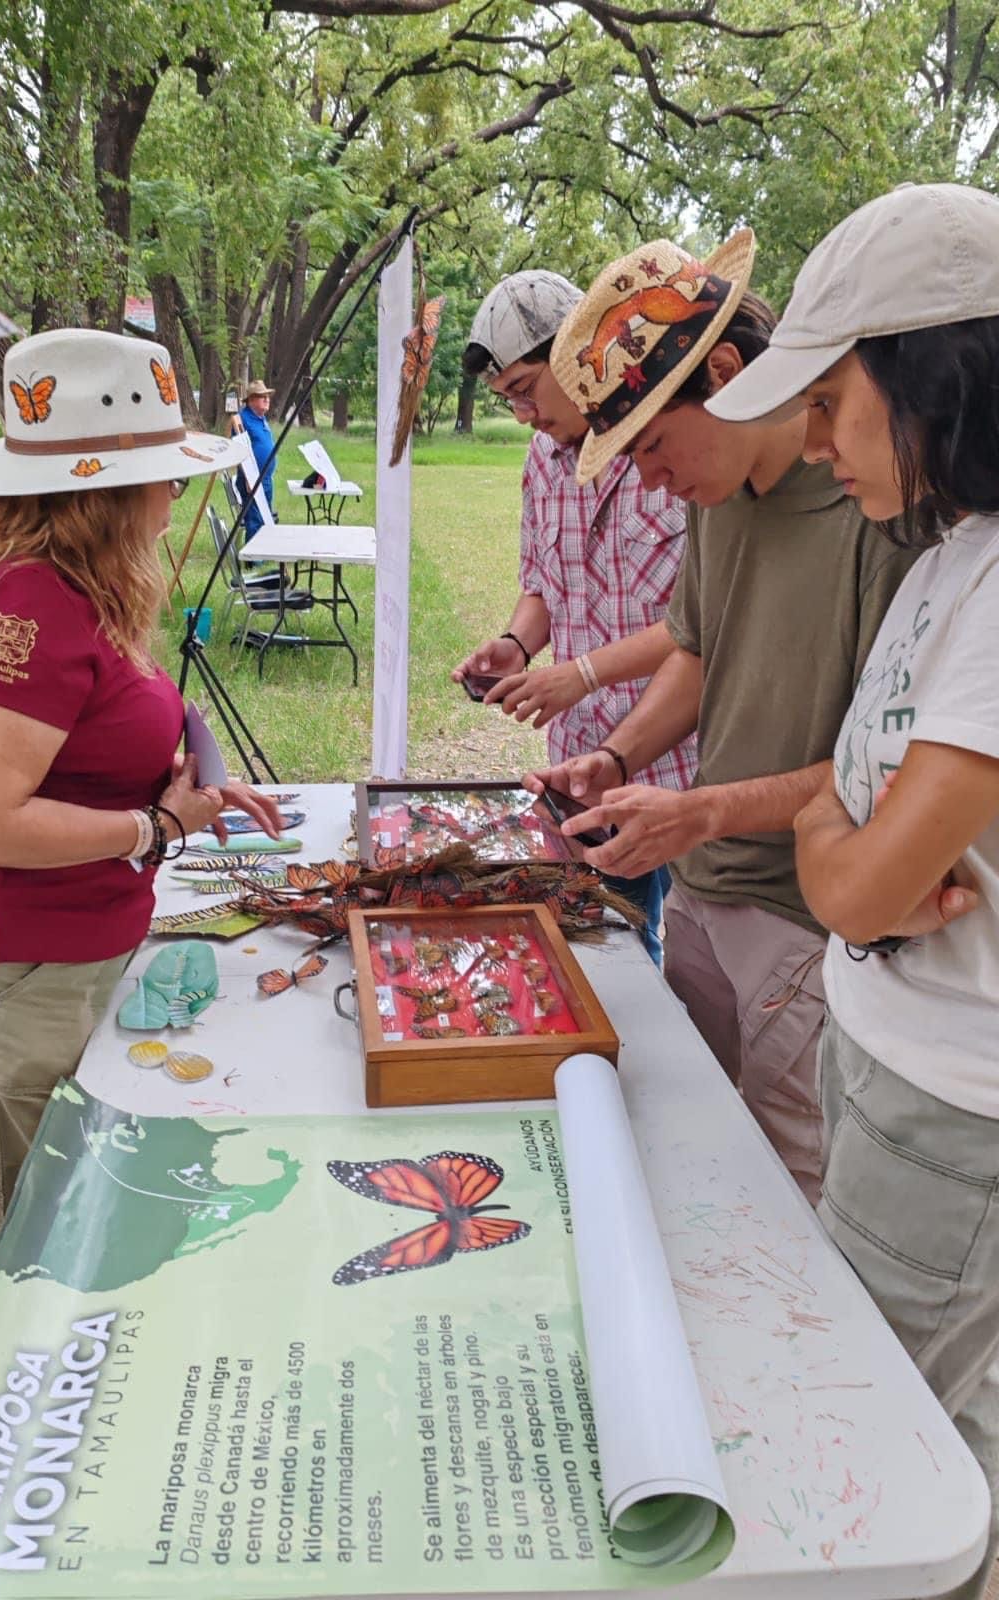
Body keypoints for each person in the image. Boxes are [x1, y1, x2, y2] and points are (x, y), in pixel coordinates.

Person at [709, 180, 999, 1600]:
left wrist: (842, 862)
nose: (817, 442)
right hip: (886, 1056)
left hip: (954, 1104)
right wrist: (845, 851)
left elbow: (868, 878)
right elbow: (844, 802)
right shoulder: (949, 559)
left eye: (834, 402)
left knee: (868, 1447)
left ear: (934, 380)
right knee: (945, 1419)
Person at [0, 328, 282, 1342]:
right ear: (104, 492)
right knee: (7, 1230)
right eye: (160, 476)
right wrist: (153, 827)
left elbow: (95, 730)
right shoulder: (31, 604)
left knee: (58, 1206)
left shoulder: (81, 591)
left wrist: (183, 774)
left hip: (45, 958)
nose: (175, 498)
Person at [526, 231, 916, 1203]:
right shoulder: (720, 492)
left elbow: (897, 774)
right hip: (706, 887)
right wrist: (616, 759)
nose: (647, 480)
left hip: (808, 919)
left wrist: (702, 810)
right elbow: (698, 653)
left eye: (652, 444)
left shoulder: (876, 507)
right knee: (683, 1150)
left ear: (730, 372)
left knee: (793, 1194)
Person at [452, 269, 694, 965]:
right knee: (611, 939)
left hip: (684, 759)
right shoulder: (542, 459)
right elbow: (544, 584)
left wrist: (582, 674)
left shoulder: (664, 438)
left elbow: (703, 622)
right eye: (506, 401)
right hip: (584, 763)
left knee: (699, 950)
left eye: (525, 391)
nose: (523, 414)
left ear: (576, 354)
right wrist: (514, 644)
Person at [238, 378, 276, 538]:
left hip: (265, 477)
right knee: (254, 518)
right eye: (262, 396)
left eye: (267, 396)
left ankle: (263, 550)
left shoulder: (261, 418)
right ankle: (253, 560)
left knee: (264, 516)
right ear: (252, 400)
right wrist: (248, 476)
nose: (267, 399)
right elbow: (240, 449)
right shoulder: (242, 419)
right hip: (252, 477)